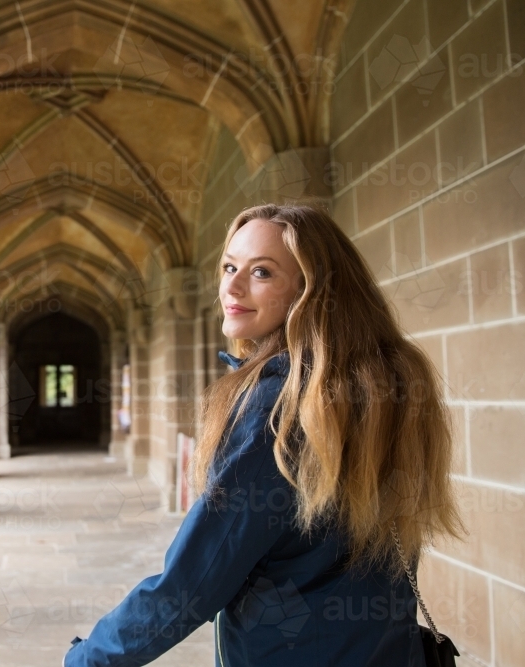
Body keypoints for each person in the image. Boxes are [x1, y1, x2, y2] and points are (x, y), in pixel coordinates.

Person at [62, 203, 465, 667]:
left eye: (262, 272)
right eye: (230, 266)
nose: (231, 287)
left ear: (311, 289)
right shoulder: (385, 384)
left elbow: (195, 580)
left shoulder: (277, 408)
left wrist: (90, 658)